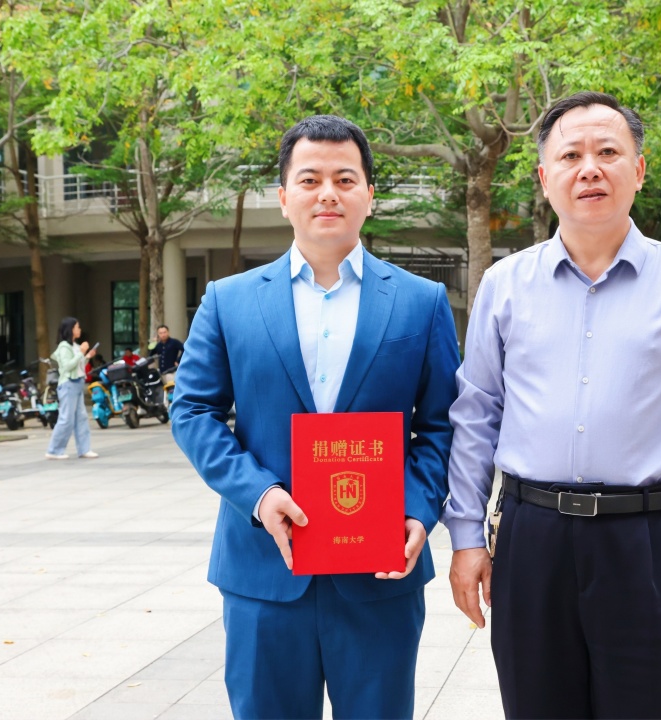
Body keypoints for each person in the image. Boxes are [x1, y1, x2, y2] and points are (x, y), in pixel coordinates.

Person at [442, 92, 661, 720]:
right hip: (532, 539)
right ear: (544, 178)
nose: (590, 169)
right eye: (571, 155)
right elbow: (476, 416)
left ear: (638, 170)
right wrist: (467, 537)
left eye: (608, 152)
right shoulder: (505, 285)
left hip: (647, 540)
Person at [170, 115, 459, 719]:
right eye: (310, 179)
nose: (328, 193)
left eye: (345, 179)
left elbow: (442, 424)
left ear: (369, 195)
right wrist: (259, 493)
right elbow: (193, 410)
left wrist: (417, 509)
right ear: (283, 197)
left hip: (380, 572)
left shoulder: (421, 301)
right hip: (264, 570)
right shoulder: (229, 300)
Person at [46, 317, 99, 460]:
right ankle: (54, 450)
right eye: (77, 327)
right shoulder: (64, 346)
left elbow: (78, 365)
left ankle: (84, 449)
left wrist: (87, 356)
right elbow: (67, 366)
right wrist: (82, 352)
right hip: (68, 385)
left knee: (81, 418)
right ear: (70, 330)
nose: (79, 329)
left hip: (77, 383)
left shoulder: (75, 345)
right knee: (66, 419)